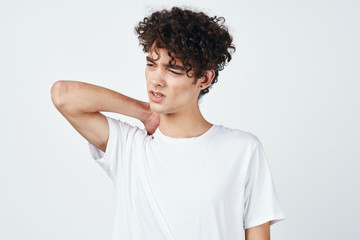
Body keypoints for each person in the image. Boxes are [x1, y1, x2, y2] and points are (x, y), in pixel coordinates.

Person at [51, 6, 285, 240]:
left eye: (172, 69)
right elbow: (63, 95)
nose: (156, 79)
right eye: (152, 65)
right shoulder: (130, 148)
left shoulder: (242, 150)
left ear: (204, 78)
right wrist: (145, 112)